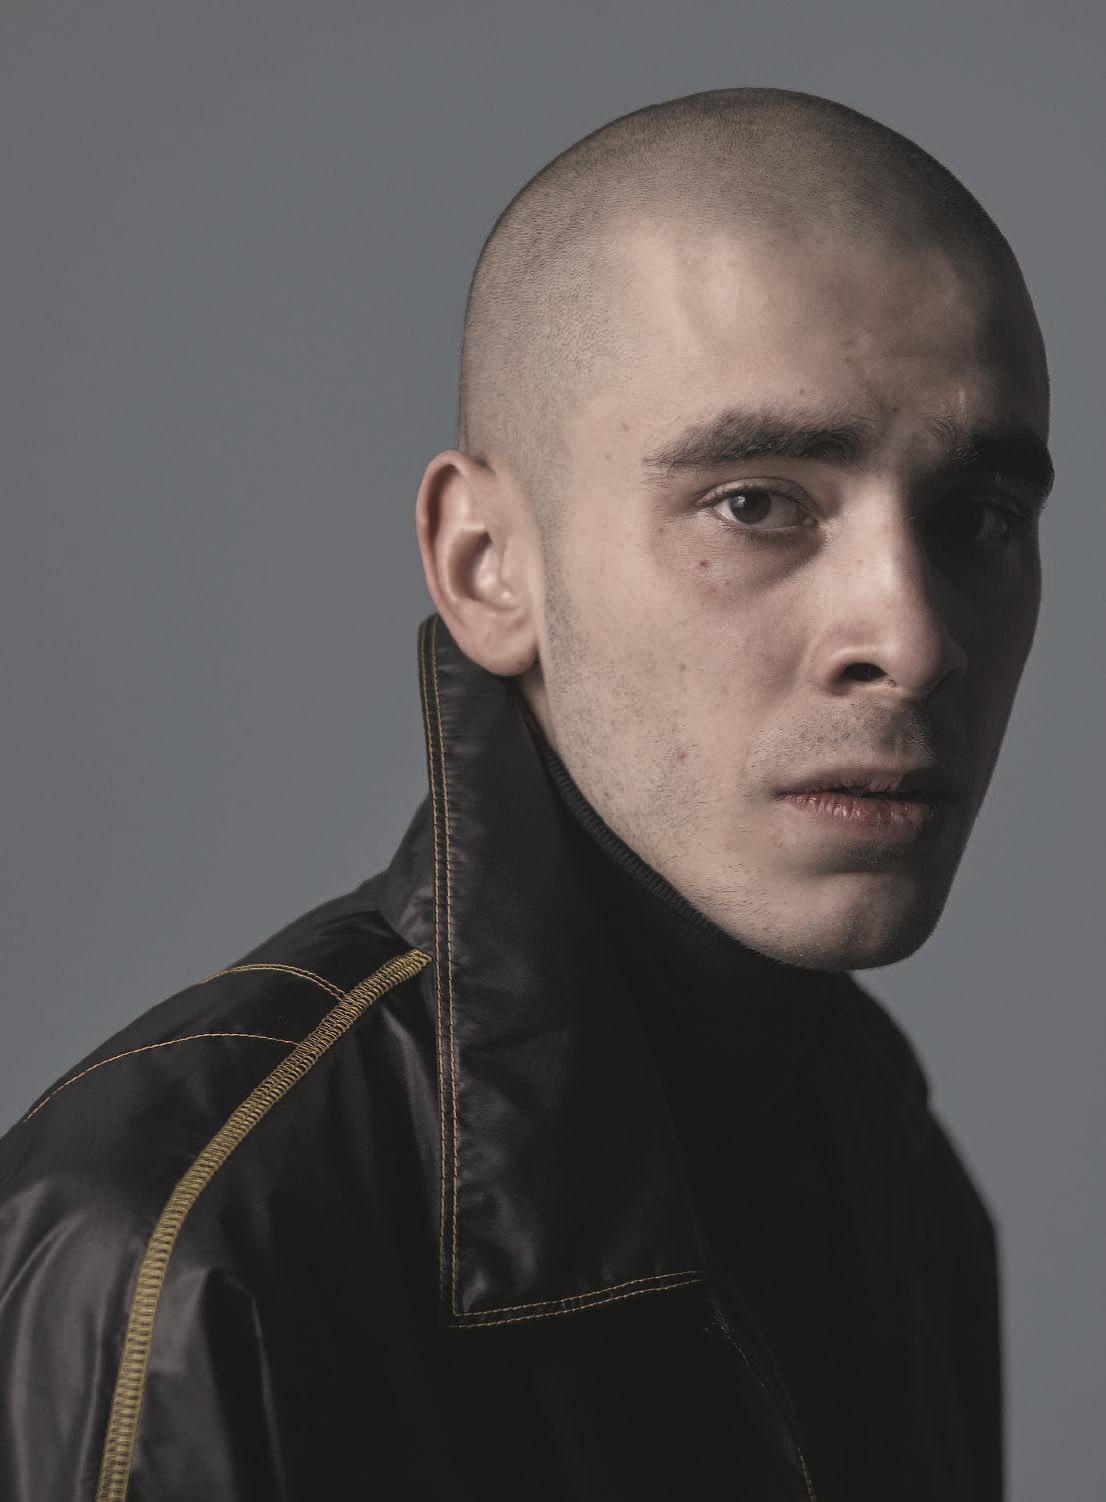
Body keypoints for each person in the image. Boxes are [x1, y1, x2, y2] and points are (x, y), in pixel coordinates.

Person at [0, 86, 1052, 1501]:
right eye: (755, 501)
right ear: (487, 564)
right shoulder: (182, 1248)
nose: (913, 637)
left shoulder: (892, 1161)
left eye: (979, 517)